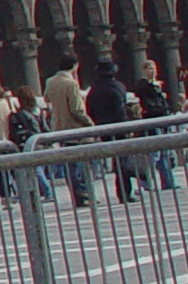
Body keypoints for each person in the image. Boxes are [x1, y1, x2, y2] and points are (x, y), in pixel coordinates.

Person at [86, 60, 142, 202]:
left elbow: (90, 110)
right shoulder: (117, 86)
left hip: (103, 128)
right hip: (119, 127)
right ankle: (125, 190)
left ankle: (123, 190)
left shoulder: (94, 90)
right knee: (122, 160)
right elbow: (120, 109)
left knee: (116, 160)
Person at [44, 57, 93, 206]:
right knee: (81, 163)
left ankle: (76, 195)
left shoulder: (50, 81)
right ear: (75, 66)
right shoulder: (70, 83)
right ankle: (84, 193)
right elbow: (76, 109)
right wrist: (89, 123)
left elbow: (46, 98)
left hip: (59, 126)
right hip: (74, 126)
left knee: (69, 164)